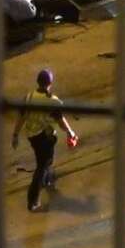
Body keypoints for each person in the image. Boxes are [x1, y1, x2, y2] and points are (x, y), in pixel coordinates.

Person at [12, 68, 77, 212]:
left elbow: (21, 118)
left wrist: (15, 135)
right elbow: (61, 121)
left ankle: (47, 180)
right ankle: (32, 200)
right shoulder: (52, 101)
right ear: (50, 83)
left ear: (38, 82)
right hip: (44, 137)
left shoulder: (28, 97)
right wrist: (70, 132)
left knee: (46, 160)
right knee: (42, 166)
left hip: (32, 136)